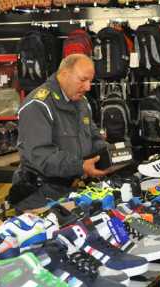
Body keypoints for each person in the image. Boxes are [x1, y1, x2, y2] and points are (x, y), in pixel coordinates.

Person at [9, 54, 112, 211]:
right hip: (39, 197)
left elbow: (93, 137)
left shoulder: (82, 103)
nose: (88, 87)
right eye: (83, 80)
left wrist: (107, 155)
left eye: (90, 81)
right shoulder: (38, 105)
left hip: (71, 190)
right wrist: (81, 166)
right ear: (64, 74)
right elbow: (41, 156)